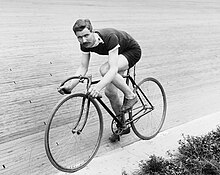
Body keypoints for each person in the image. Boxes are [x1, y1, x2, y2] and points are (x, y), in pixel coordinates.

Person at [58, 19, 141, 142]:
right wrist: (70, 86)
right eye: (79, 37)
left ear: (92, 31)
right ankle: (123, 125)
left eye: (86, 35)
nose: (83, 40)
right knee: (110, 93)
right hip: (117, 56)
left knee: (104, 69)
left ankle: (131, 95)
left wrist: (97, 88)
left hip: (131, 51)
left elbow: (112, 69)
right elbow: (83, 67)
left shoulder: (109, 37)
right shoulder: (84, 44)